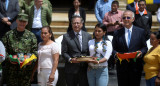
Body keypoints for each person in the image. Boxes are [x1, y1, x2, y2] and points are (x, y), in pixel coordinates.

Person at [112, 10, 148, 86]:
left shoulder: (140, 32)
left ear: (133, 19)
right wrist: (116, 55)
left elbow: (144, 47)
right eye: (124, 17)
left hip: (136, 67)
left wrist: (141, 52)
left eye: (128, 17)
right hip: (122, 67)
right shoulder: (117, 33)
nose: (126, 19)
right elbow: (113, 49)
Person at [1, 13, 37, 86]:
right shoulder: (8, 35)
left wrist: (31, 60)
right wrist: (9, 59)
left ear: (27, 23)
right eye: (20, 21)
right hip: (12, 71)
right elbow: (3, 50)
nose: (22, 23)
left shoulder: (31, 36)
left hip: (26, 71)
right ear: (17, 21)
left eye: (24, 21)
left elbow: (35, 52)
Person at [62, 15, 92, 86]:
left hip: (84, 69)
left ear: (82, 24)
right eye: (74, 23)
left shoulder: (88, 36)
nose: (76, 25)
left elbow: (90, 51)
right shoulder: (66, 36)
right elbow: (64, 52)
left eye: (78, 23)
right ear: (71, 24)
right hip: (71, 69)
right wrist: (70, 59)